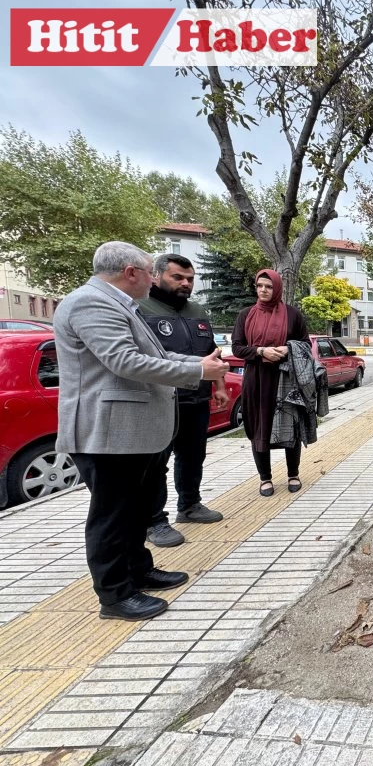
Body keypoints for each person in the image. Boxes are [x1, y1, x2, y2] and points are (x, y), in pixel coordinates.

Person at [53, 242, 228, 621]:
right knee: (112, 515)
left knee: (135, 509)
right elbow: (125, 361)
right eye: (151, 272)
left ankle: (138, 570)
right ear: (130, 272)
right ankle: (115, 596)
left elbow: (157, 357)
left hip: (132, 432)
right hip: (108, 432)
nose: (153, 279)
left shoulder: (120, 305)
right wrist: (198, 373)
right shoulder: (90, 303)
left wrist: (199, 361)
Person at [139, 253, 229, 548]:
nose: (186, 284)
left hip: (196, 399)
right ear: (156, 276)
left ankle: (189, 506)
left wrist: (219, 386)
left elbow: (212, 353)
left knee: (193, 457)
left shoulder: (197, 310)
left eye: (190, 279)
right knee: (156, 462)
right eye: (177, 277)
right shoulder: (141, 308)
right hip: (161, 399)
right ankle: (154, 520)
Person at [231, 269, 311, 497]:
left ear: (277, 288)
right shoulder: (245, 315)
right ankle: (265, 478)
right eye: (260, 286)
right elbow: (237, 347)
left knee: (290, 425)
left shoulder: (293, 315)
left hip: (286, 379)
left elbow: (305, 344)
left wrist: (288, 348)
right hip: (256, 380)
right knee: (259, 427)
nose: (264, 290)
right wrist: (260, 351)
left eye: (269, 286)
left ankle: (293, 473)